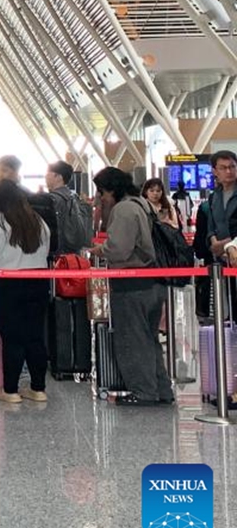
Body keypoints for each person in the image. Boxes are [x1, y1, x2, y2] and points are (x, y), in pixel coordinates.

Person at [92, 167, 174, 406]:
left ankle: (143, 392)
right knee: (149, 339)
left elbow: (119, 249)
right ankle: (161, 390)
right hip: (153, 282)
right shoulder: (144, 204)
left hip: (132, 285)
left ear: (111, 189)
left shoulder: (124, 209)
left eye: (102, 192)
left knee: (133, 339)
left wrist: (100, 250)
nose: (101, 198)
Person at [0, 180, 51, 403]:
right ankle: (38, 388)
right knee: (35, 337)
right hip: (38, 282)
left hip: (7, 284)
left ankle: (10, 390)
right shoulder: (38, 221)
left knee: (12, 338)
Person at [206, 151, 237, 263]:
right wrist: (214, 242)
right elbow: (211, 226)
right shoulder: (214, 196)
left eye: (232, 167)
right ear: (215, 171)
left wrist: (227, 244)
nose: (229, 171)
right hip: (221, 257)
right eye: (223, 168)